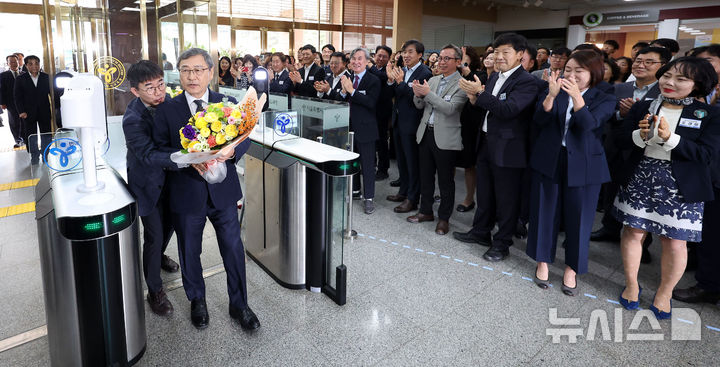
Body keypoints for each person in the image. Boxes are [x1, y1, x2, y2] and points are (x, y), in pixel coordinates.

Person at [153, 48, 260, 330]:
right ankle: (196, 300)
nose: (192, 75)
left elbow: (245, 135)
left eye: (198, 69)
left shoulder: (227, 102)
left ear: (210, 72)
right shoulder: (167, 109)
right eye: (186, 69)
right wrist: (187, 160)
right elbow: (161, 149)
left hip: (223, 191)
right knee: (190, 250)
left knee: (233, 249)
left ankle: (240, 305)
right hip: (187, 191)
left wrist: (231, 153)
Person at [612, 57, 720, 320]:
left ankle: (664, 293)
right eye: (667, 75)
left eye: (681, 79)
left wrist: (669, 138)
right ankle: (632, 285)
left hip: (681, 185)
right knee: (633, 232)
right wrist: (641, 136)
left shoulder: (709, 114)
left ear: (697, 85)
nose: (670, 82)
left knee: (674, 241)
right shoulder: (645, 107)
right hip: (641, 176)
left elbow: (707, 155)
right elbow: (621, 139)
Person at [526, 50, 616, 295]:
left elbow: (589, 126)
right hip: (550, 158)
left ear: (593, 73)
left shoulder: (604, 95)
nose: (572, 75)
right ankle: (542, 262)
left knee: (580, 218)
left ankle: (571, 269)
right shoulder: (555, 88)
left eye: (579, 71)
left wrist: (577, 98)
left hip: (586, 164)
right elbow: (539, 121)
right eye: (569, 70)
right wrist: (550, 97)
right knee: (544, 211)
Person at [454, 33, 539, 262]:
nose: (499, 57)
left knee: (506, 199)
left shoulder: (527, 82)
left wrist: (479, 93)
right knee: (485, 193)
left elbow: (508, 110)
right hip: (486, 143)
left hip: (509, 149)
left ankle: (502, 243)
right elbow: (488, 109)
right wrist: (474, 98)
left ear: (520, 55)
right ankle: (481, 232)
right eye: (496, 52)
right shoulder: (494, 78)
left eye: (505, 52)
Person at [592, 46, 670, 248]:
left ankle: (642, 243)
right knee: (611, 189)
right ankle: (609, 227)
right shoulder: (618, 88)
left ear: (663, 66)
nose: (640, 65)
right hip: (615, 147)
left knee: (642, 198)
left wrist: (636, 114)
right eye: (638, 61)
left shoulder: (665, 92)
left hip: (644, 152)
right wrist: (621, 114)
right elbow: (602, 116)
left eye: (649, 62)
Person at [122, 60, 181, 316]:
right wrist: (185, 158)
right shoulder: (132, 119)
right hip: (147, 183)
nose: (159, 92)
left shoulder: (168, 104)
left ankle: (159, 256)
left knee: (169, 226)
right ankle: (154, 290)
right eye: (150, 88)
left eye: (161, 85)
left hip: (172, 180)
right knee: (154, 235)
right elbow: (147, 155)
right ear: (135, 91)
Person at [408, 44, 468, 235]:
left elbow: (450, 109)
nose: (441, 62)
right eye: (440, 58)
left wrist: (427, 94)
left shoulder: (462, 84)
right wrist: (417, 95)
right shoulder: (432, 80)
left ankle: (444, 218)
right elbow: (420, 105)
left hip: (446, 137)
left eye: (446, 59)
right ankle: (425, 211)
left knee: (445, 180)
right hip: (426, 132)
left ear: (457, 62)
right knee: (425, 176)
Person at [385, 40, 433, 214]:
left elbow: (416, 96)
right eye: (404, 52)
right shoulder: (402, 71)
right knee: (402, 161)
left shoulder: (424, 72)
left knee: (413, 163)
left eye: (410, 52)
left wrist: (400, 83)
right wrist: (391, 81)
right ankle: (403, 192)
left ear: (420, 55)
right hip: (398, 121)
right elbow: (395, 94)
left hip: (412, 123)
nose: (406, 55)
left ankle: (413, 198)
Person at [339, 47, 380, 214]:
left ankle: (368, 197)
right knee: (352, 161)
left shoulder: (373, 80)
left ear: (367, 62)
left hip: (366, 129)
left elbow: (371, 103)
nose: (356, 61)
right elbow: (339, 100)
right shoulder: (347, 78)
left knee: (367, 164)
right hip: (348, 128)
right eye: (353, 59)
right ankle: (354, 190)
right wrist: (342, 92)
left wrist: (351, 91)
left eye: (360, 59)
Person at [456, 46, 483, 213]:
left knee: (468, 164)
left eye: (463, 56)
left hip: (469, 123)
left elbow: (474, 89)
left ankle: (469, 198)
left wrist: (463, 65)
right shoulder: (453, 74)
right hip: (452, 121)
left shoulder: (478, 75)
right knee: (449, 161)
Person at [13, 55, 51, 164]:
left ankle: (45, 155)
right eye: (31, 64)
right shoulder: (20, 79)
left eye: (36, 63)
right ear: (26, 65)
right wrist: (21, 111)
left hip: (44, 111)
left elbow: (53, 94)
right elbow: (17, 96)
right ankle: (34, 156)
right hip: (28, 113)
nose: (34, 66)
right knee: (31, 135)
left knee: (46, 134)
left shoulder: (46, 77)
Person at [369, 45, 394, 181]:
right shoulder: (371, 69)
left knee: (382, 142)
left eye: (384, 56)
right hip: (369, 110)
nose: (380, 58)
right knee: (370, 140)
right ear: (374, 56)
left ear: (389, 58)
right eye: (378, 55)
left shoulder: (389, 71)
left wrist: (371, 68)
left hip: (382, 111)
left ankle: (383, 169)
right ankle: (370, 165)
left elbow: (384, 78)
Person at [0, 54, 23, 147]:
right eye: (11, 62)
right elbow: (1, 90)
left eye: (16, 61)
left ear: (18, 62)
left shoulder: (24, 74)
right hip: (10, 102)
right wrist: (2, 103)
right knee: (14, 121)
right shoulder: (3, 75)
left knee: (24, 121)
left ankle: (24, 138)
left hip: (23, 102)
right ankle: (17, 140)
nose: (14, 63)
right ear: (8, 63)